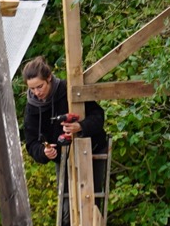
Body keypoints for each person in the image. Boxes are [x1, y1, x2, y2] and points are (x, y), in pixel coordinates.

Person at [21, 57, 109, 201]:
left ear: (49, 78)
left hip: (92, 150)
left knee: (92, 198)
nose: (36, 92)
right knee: (66, 205)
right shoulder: (32, 107)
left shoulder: (68, 90)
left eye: (40, 86)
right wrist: (44, 152)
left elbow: (98, 116)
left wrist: (81, 126)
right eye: (32, 88)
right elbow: (31, 143)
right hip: (63, 158)